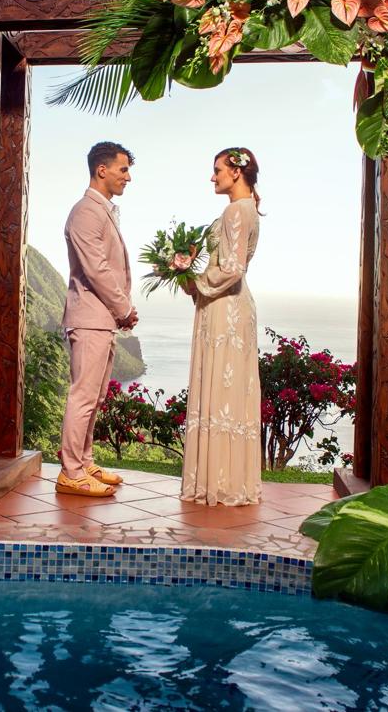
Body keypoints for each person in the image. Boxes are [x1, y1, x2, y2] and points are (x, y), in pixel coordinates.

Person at [179, 147, 263, 506]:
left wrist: (195, 281)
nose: (212, 177)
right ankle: (228, 479)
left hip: (224, 308)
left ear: (236, 171)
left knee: (220, 390)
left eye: (217, 170)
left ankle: (217, 482)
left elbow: (232, 269)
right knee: (229, 394)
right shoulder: (247, 209)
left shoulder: (235, 211)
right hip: (232, 305)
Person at [57, 141, 138, 497]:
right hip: (90, 318)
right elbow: (97, 269)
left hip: (101, 319)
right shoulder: (86, 212)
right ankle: (71, 472)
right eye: (123, 170)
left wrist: (120, 311)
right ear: (101, 170)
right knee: (83, 396)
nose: (128, 177)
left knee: (95, 396)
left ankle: (84, 462)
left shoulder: (101, 211)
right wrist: (124, 309)